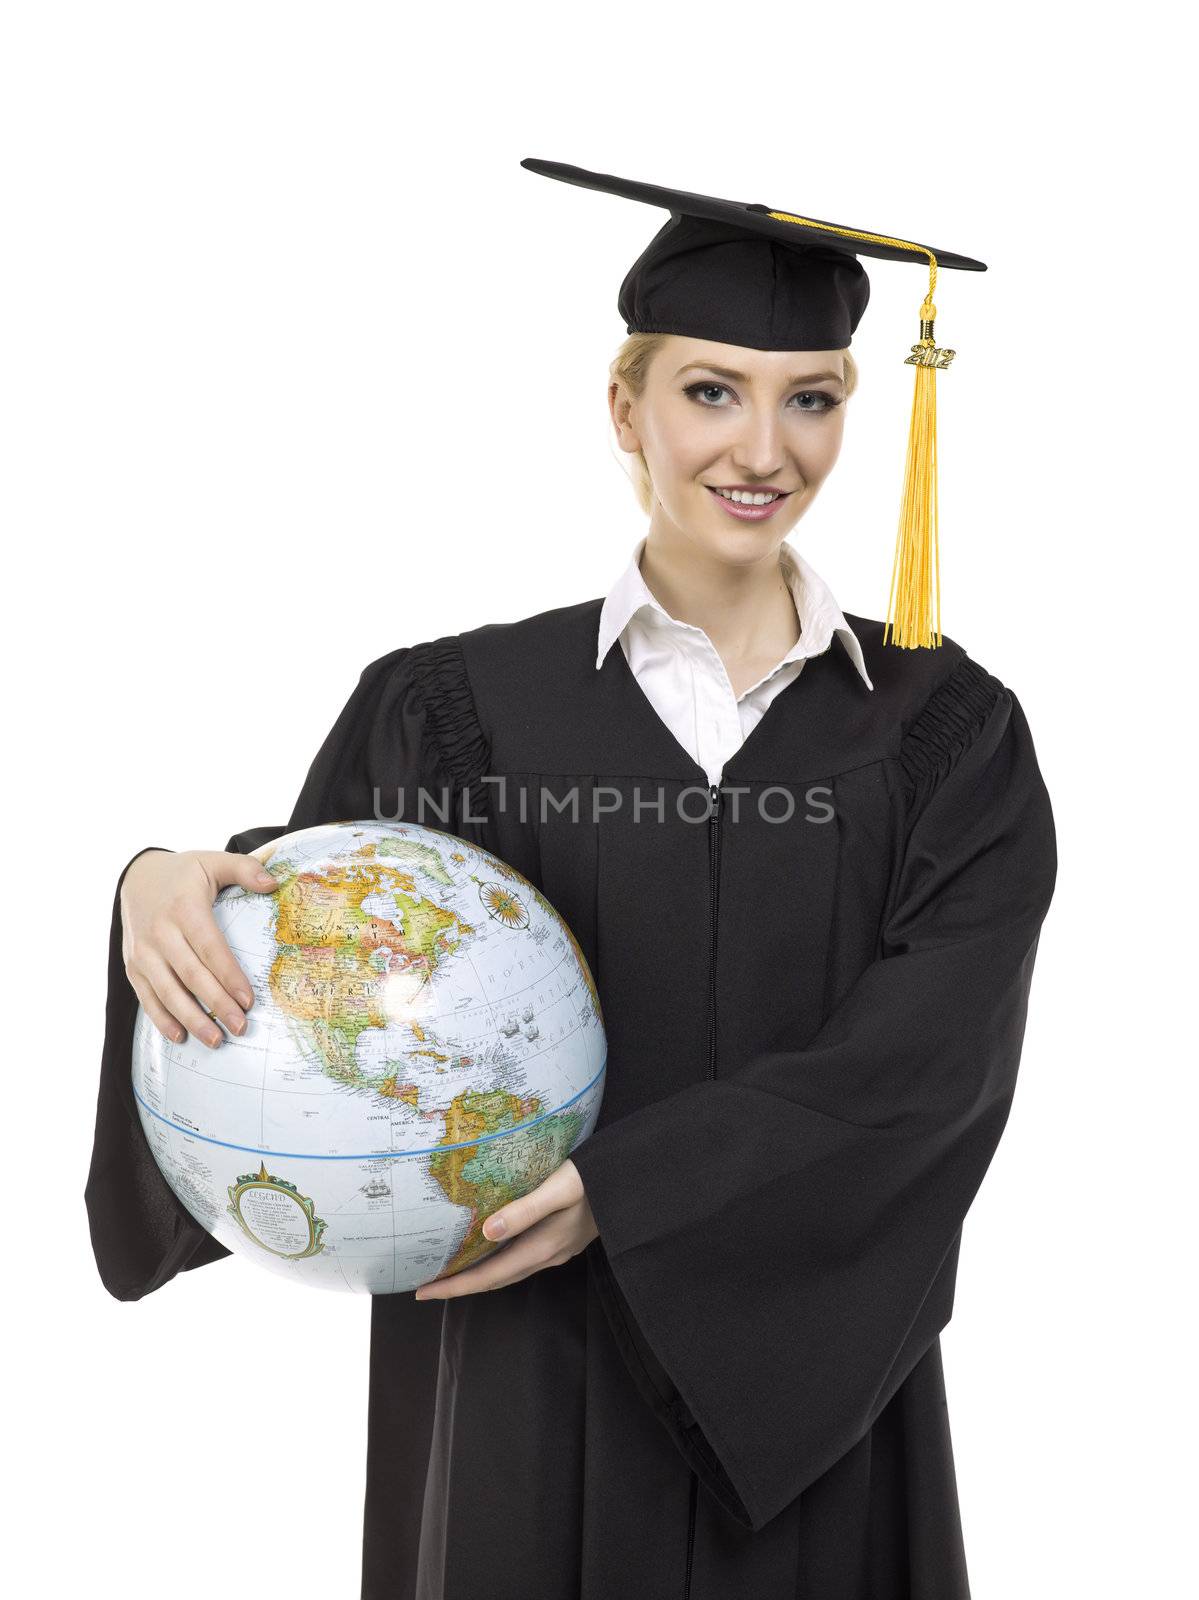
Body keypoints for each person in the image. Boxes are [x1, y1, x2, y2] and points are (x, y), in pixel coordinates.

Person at [85, 160, 1058, 1599]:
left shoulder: (944, 735)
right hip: (515, 1362)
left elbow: (934, 1059)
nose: (765, 447)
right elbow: (328, 954)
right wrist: (158, 884)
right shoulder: (446, 706)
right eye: (711, 390)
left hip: (809, 1391)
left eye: (813, 396)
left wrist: (633, 1188)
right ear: (626, 408)